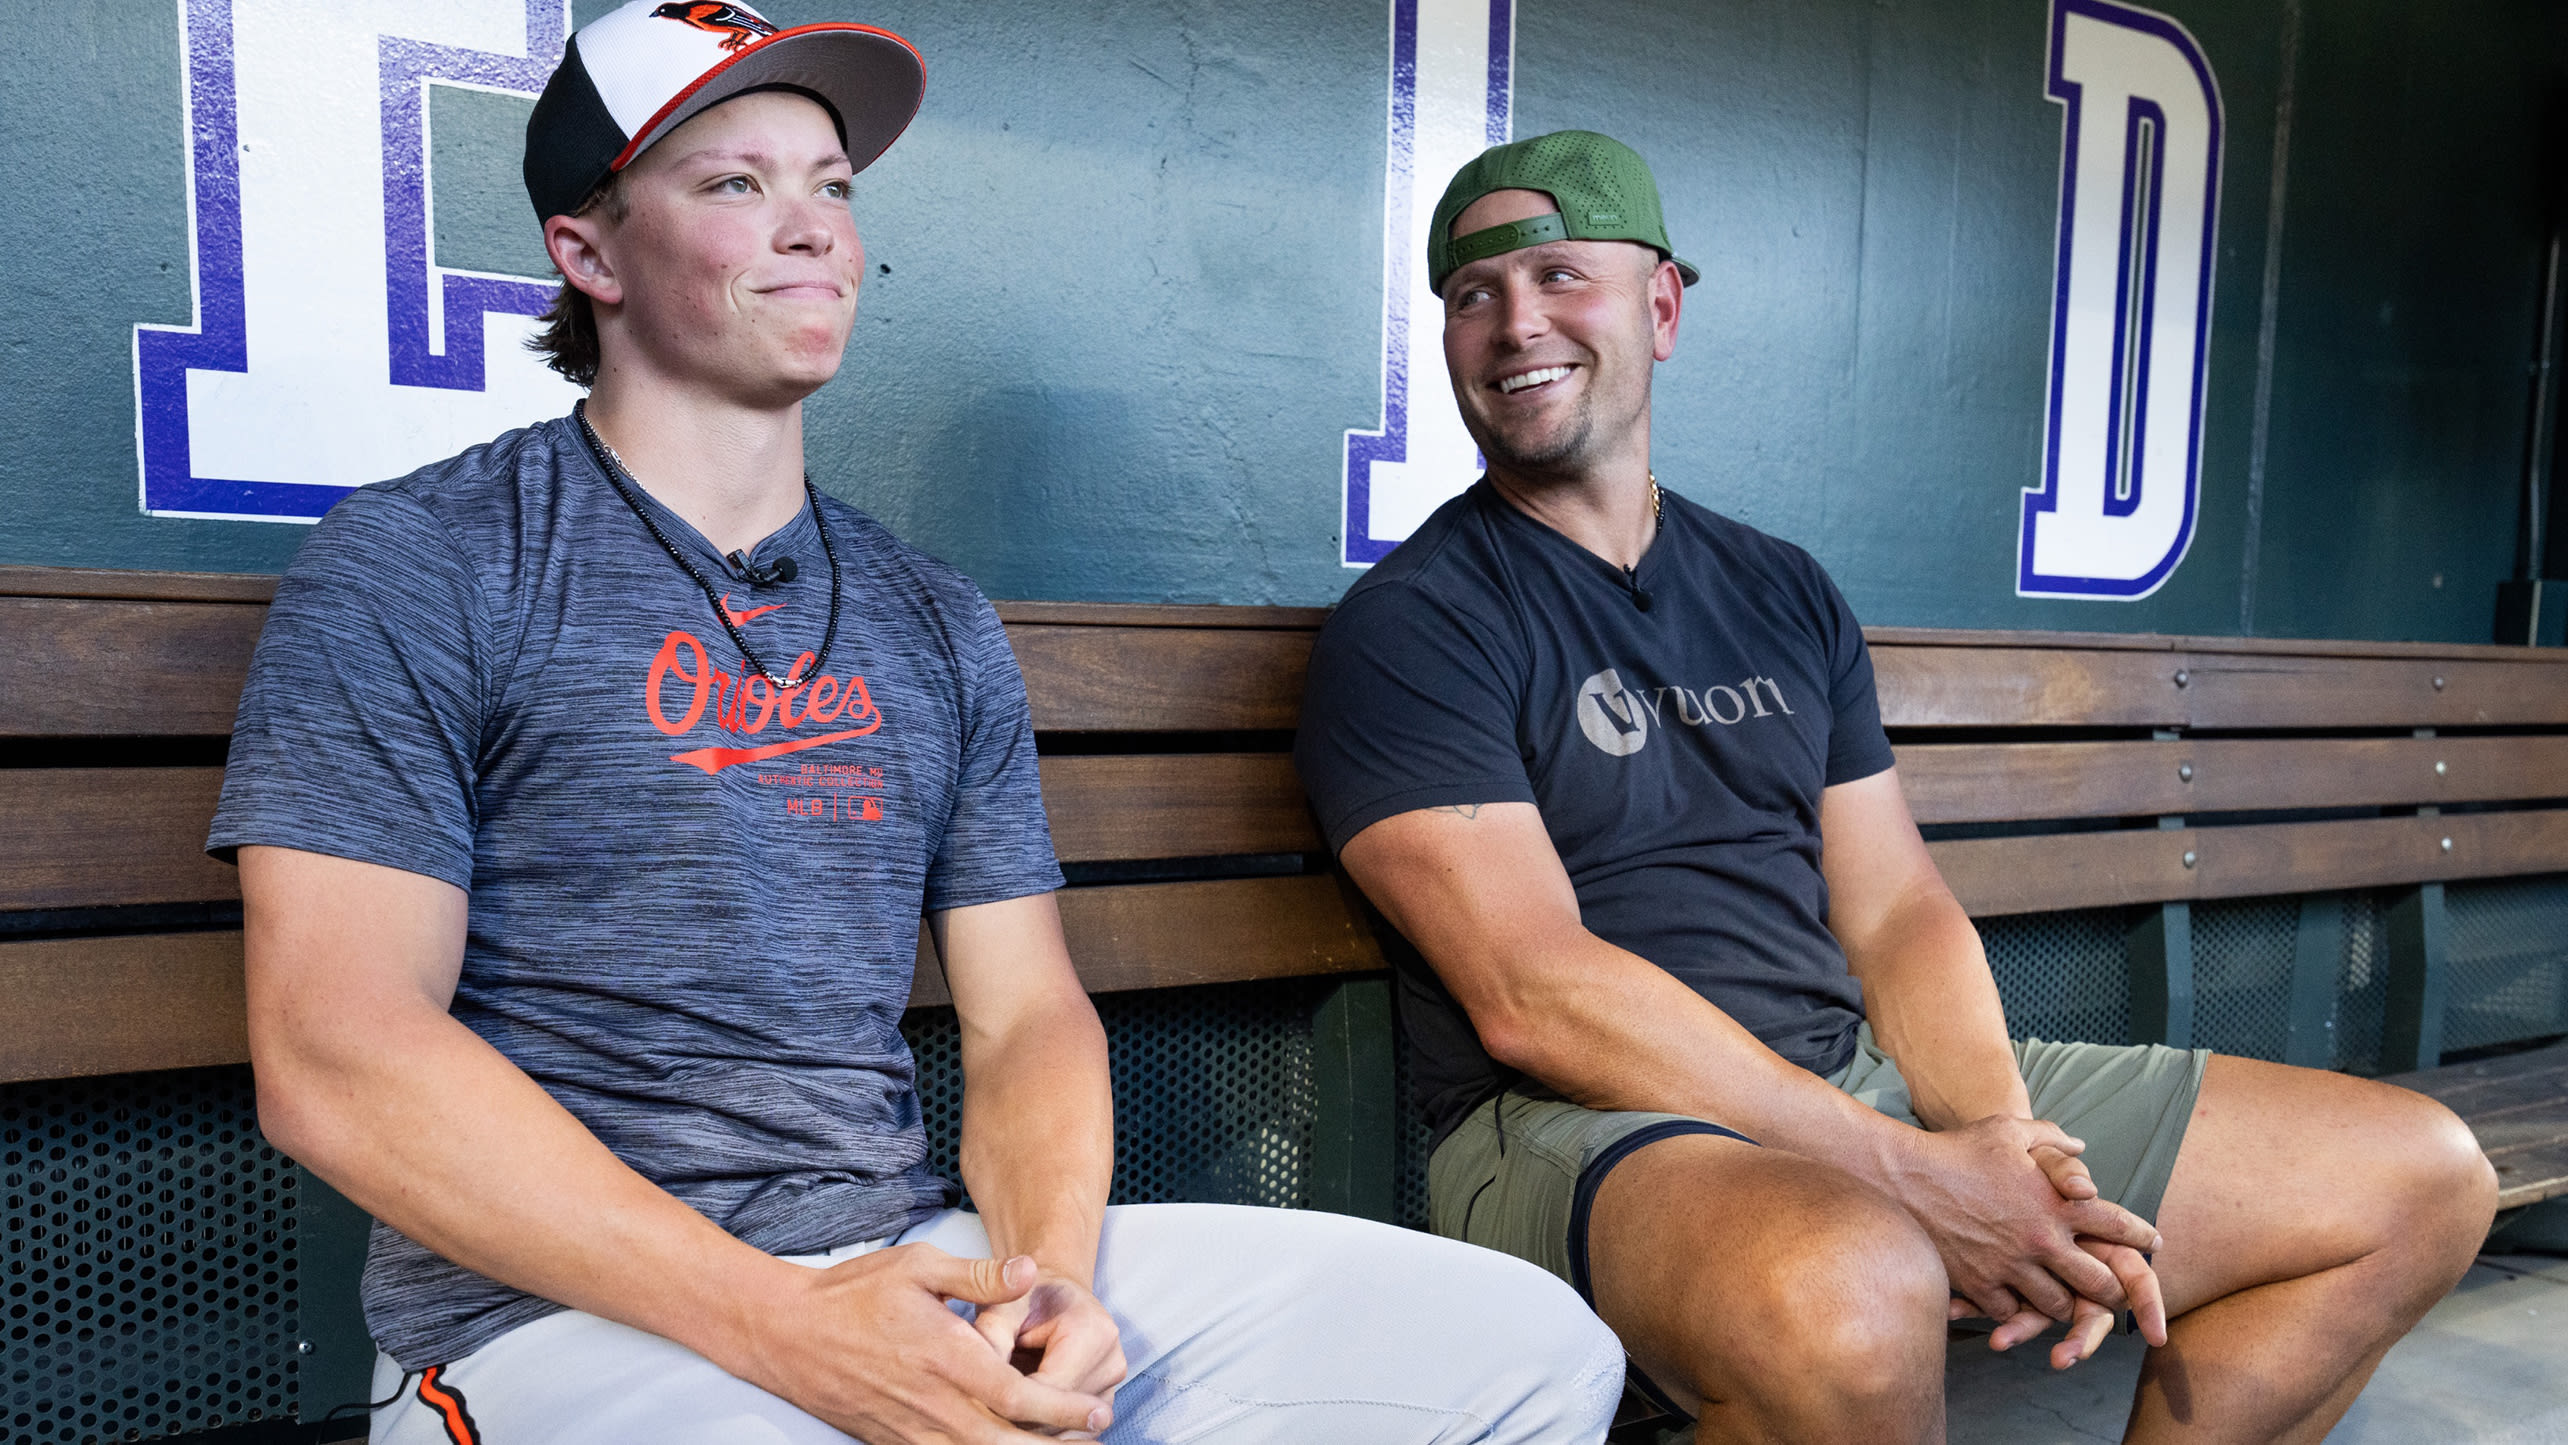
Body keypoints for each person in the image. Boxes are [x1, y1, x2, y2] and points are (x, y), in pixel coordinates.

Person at [211, 9, 1625, 1442]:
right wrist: (787, 1331)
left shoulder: (930, 617)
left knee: (1529, 1349)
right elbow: (340, 1050)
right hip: (557, 1323)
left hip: (903, 1258)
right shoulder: (425, 559)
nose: (814, 226)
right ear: (589, 253)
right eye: (733, 185)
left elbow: (1024, 1018)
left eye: (830, 185)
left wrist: (1044, 1289)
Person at [1294, 128, 2500, 1443]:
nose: (1515, 321)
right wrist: (1909, 1175)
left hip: (1849, 1077)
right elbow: (1535, 992)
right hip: (1582, 1130)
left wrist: (2004, 1147)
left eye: (1560, 276)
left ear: (1660, 306)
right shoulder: (1414, 624)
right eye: (1473, 297)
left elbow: (1897, 910)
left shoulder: (1780, 588)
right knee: (1857, 1284)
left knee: (2418, 1177)